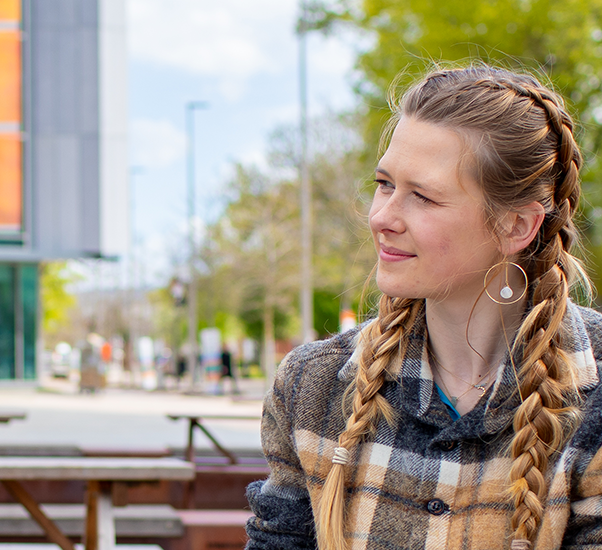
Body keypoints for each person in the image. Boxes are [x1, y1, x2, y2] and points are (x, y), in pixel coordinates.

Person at [247, 65, 602, 550]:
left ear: (517, 226)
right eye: (384, 183)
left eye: (423, 197)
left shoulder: (592, 395)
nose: (382, 217)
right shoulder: (313, 387)